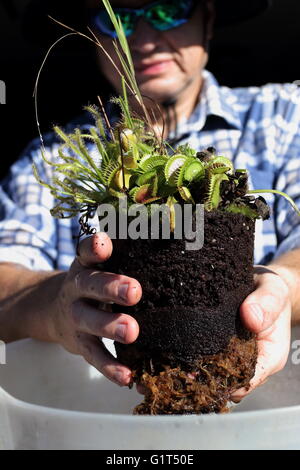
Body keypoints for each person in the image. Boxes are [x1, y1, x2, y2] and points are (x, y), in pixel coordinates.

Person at [0, 0, 300, 403]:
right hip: (93, 418)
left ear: (208, 18)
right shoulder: (57, 157)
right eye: (117, 18)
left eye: (168, 9)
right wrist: (57, 303)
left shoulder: (285, 115)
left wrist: (283, 288)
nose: (140, 39)